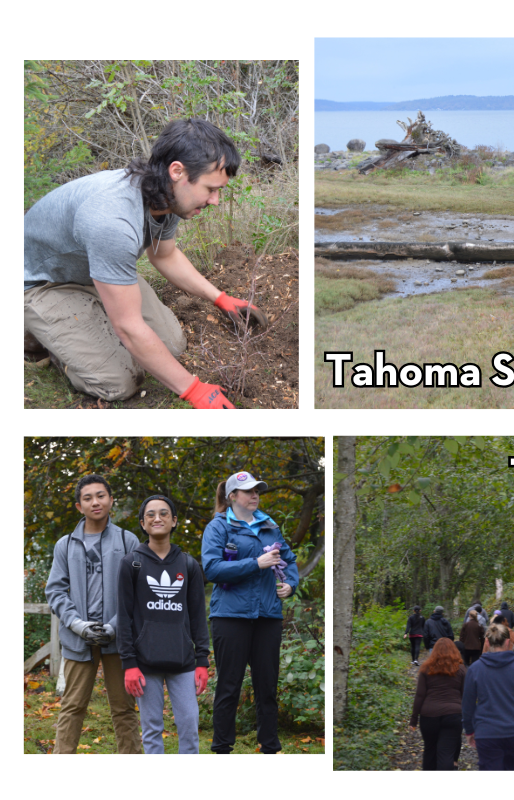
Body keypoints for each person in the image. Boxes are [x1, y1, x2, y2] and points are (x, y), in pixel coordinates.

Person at [23, 118, 266, 408]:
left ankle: (87, 323)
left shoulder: (167, 197)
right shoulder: (111, 220)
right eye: (211, 189)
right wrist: (193, 390)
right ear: (178, 171)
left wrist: (220, 298)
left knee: (173, 346)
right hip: (43, 283)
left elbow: (164, 255)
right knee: (120, 382)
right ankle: (32, 339)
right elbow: (128, 327)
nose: (215, 201)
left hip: (93, 271)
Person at [201, 470, 299, 754]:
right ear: (233, 496)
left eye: (258, 490)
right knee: (229, 685)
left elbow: (289, 560)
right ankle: (222, 747)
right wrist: (256, 563)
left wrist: (290, 584)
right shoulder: (218, 527)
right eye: (248, 491)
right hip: (230, 616)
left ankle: (270, 746)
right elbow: (212, 569)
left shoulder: (269, 525)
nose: (255, 495)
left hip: (268, 615)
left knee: (267, 686)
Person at [44, 475, 142, 753]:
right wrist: (77, 624)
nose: (95, 502)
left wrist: (114, 626)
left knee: (124, 709)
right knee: (72, 706)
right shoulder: (65, 544)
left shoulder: (128, 540)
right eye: (88, 498)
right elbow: (55, 591)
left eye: (101, 495)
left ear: (111, 500)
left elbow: (137, 592)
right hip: (78, 639)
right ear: (79, 506)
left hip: (119, 640)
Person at [117, 495, 209, 754]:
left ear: (174, 521)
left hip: (183, 661)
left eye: (164, 513)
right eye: (150, 515)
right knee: (152, 729)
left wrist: (202, 660)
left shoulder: (189, 564)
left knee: (190, 725)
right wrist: (129, 664)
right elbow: (123, 617)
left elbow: (198, 616)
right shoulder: (131, 563)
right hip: (145, 663)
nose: (157, 518)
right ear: (143, 524)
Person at [462, 623, 514, 770]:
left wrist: (469, 730)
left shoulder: (475, 669)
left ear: (487, 642)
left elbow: (468, 704)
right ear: (508, 642)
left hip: (487, 733)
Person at [409, 637, 466, 770]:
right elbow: (465, 695)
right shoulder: (461, 669)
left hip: (429, 716)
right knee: (446, 753)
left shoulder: (425, 668)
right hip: (453, 715)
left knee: (430, 750)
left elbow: (420, 695)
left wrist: (413, 719)